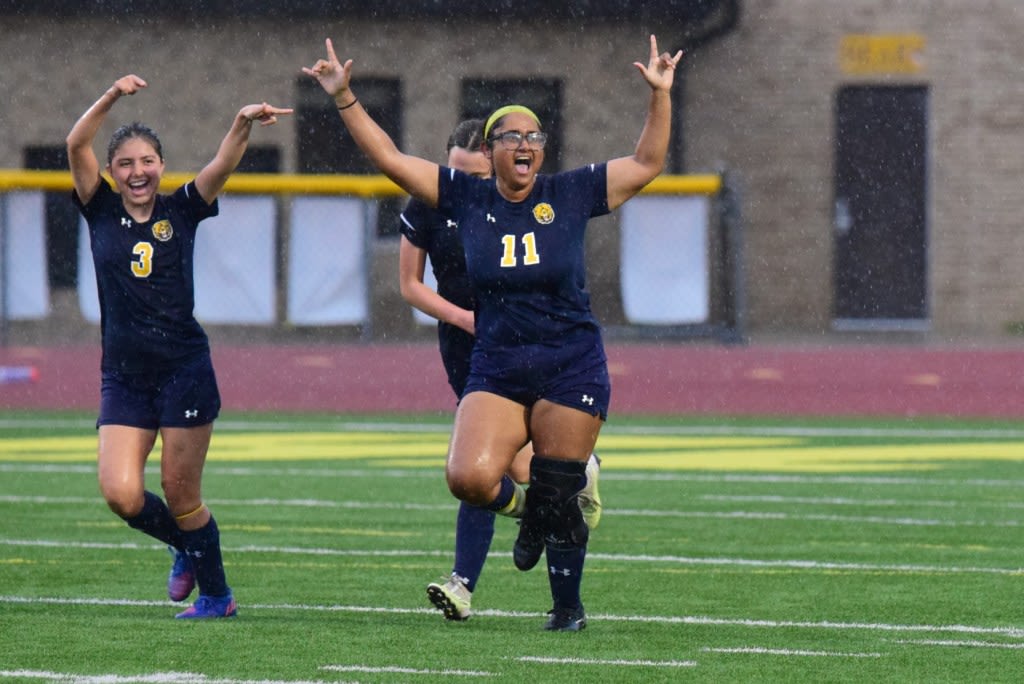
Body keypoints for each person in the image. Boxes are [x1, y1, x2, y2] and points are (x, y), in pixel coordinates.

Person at [304, 34, 680, 631]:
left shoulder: (570, 190)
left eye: (534, 137)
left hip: (569, 360)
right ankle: (535, 511)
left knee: (559, 477)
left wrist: (660, 96)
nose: (525, 145)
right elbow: (390, 160)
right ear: (493, 149)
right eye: (512, 137)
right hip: (499, 363)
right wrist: (345, 97)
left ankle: (567, 607)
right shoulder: (466, 196)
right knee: (470, 477)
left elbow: (646, 164)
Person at [66, 74, 292, 619]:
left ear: (161, 167)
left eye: (147, 161)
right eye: (125, 163)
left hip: (184, 368)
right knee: (121, 494)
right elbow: (76, 144)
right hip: (123, 375)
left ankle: (217, 596)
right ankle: (183, 546)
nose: (137, 171)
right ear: (113, 172)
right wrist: (112, 97)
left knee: (180, 491)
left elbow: (223, 164)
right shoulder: (98, 207)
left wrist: (241, 124)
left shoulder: (182, 209)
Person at [397, 120, 602, 621]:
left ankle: (523, 589)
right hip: (470, 345)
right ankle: (535, 517)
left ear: (494, 164)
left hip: (525, 342)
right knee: (479, 466)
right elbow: (409, 284)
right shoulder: (434, 200)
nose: (460, 180)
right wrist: (462, 317)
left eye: (472, 172)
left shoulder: (519, 205)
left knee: (529, 467)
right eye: (453, 171)